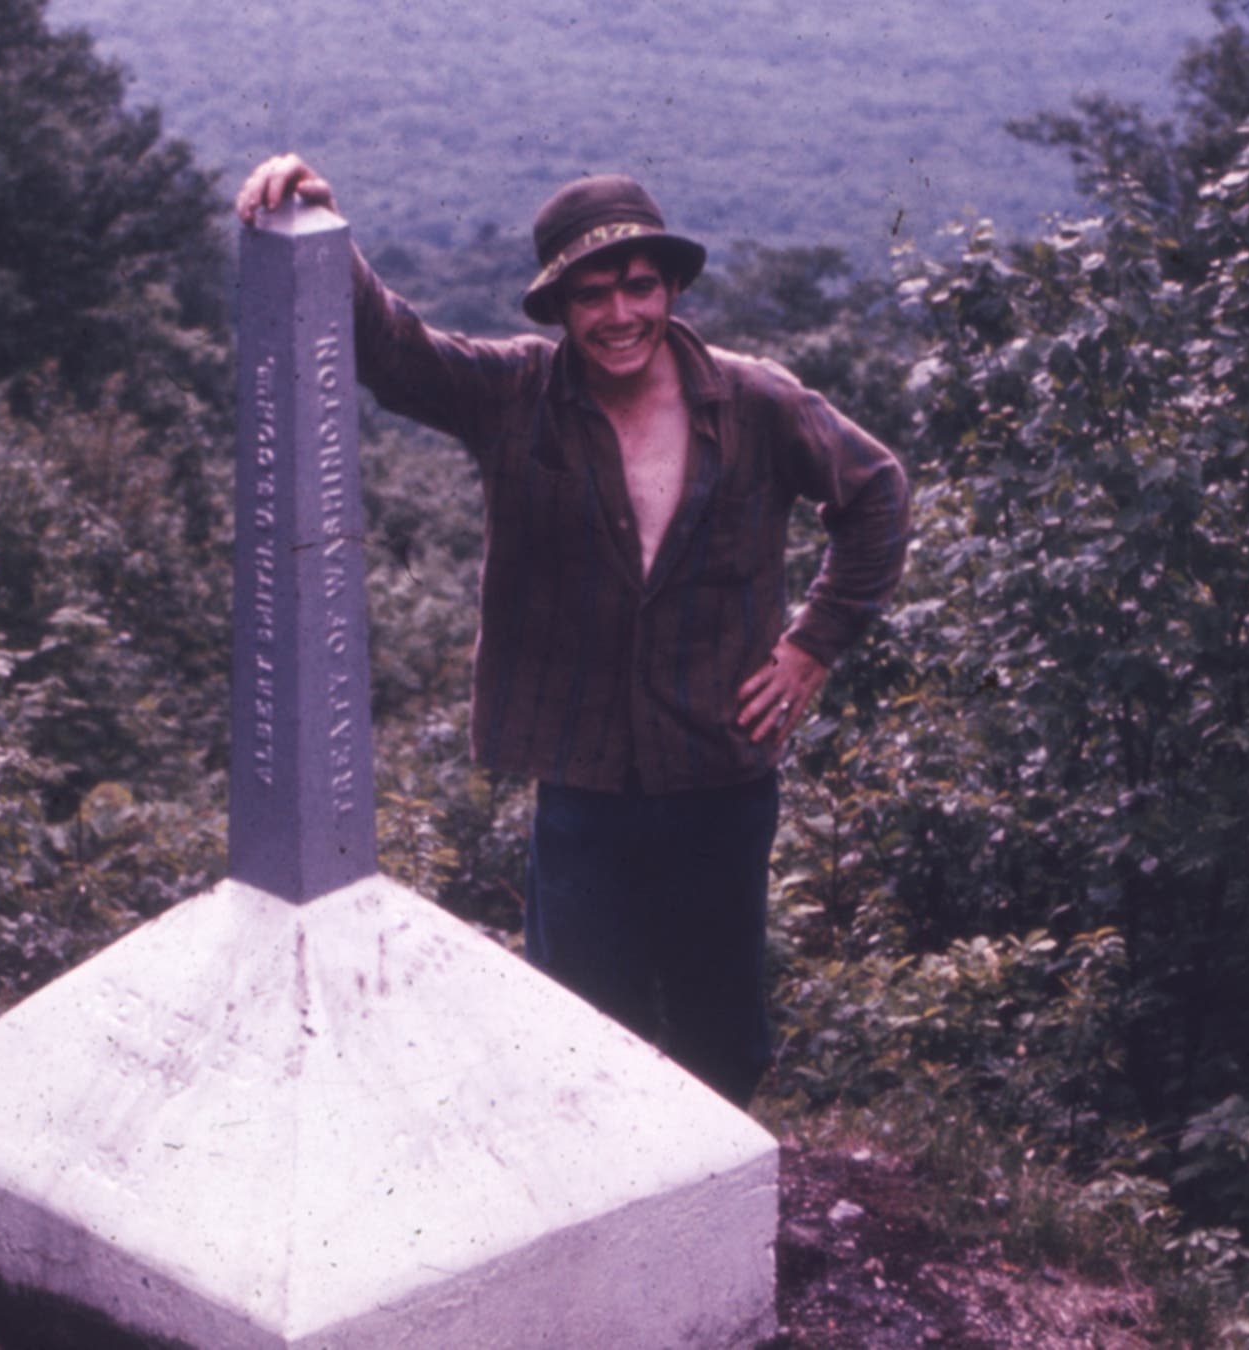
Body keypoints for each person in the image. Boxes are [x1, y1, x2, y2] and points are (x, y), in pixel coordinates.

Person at [235, 155, 910, 1106]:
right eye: (590, 294)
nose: (620, 314)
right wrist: (325, 229)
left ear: (672, 287)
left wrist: (814, 644)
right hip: (584, 782)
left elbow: (876, 490)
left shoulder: (755, 402)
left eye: (639, 285)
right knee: (581, 1027)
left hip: (722, 768)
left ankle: (708, 1224)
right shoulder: (517, 397)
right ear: (558, 310)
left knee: (724, 1028)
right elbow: (397, 353)